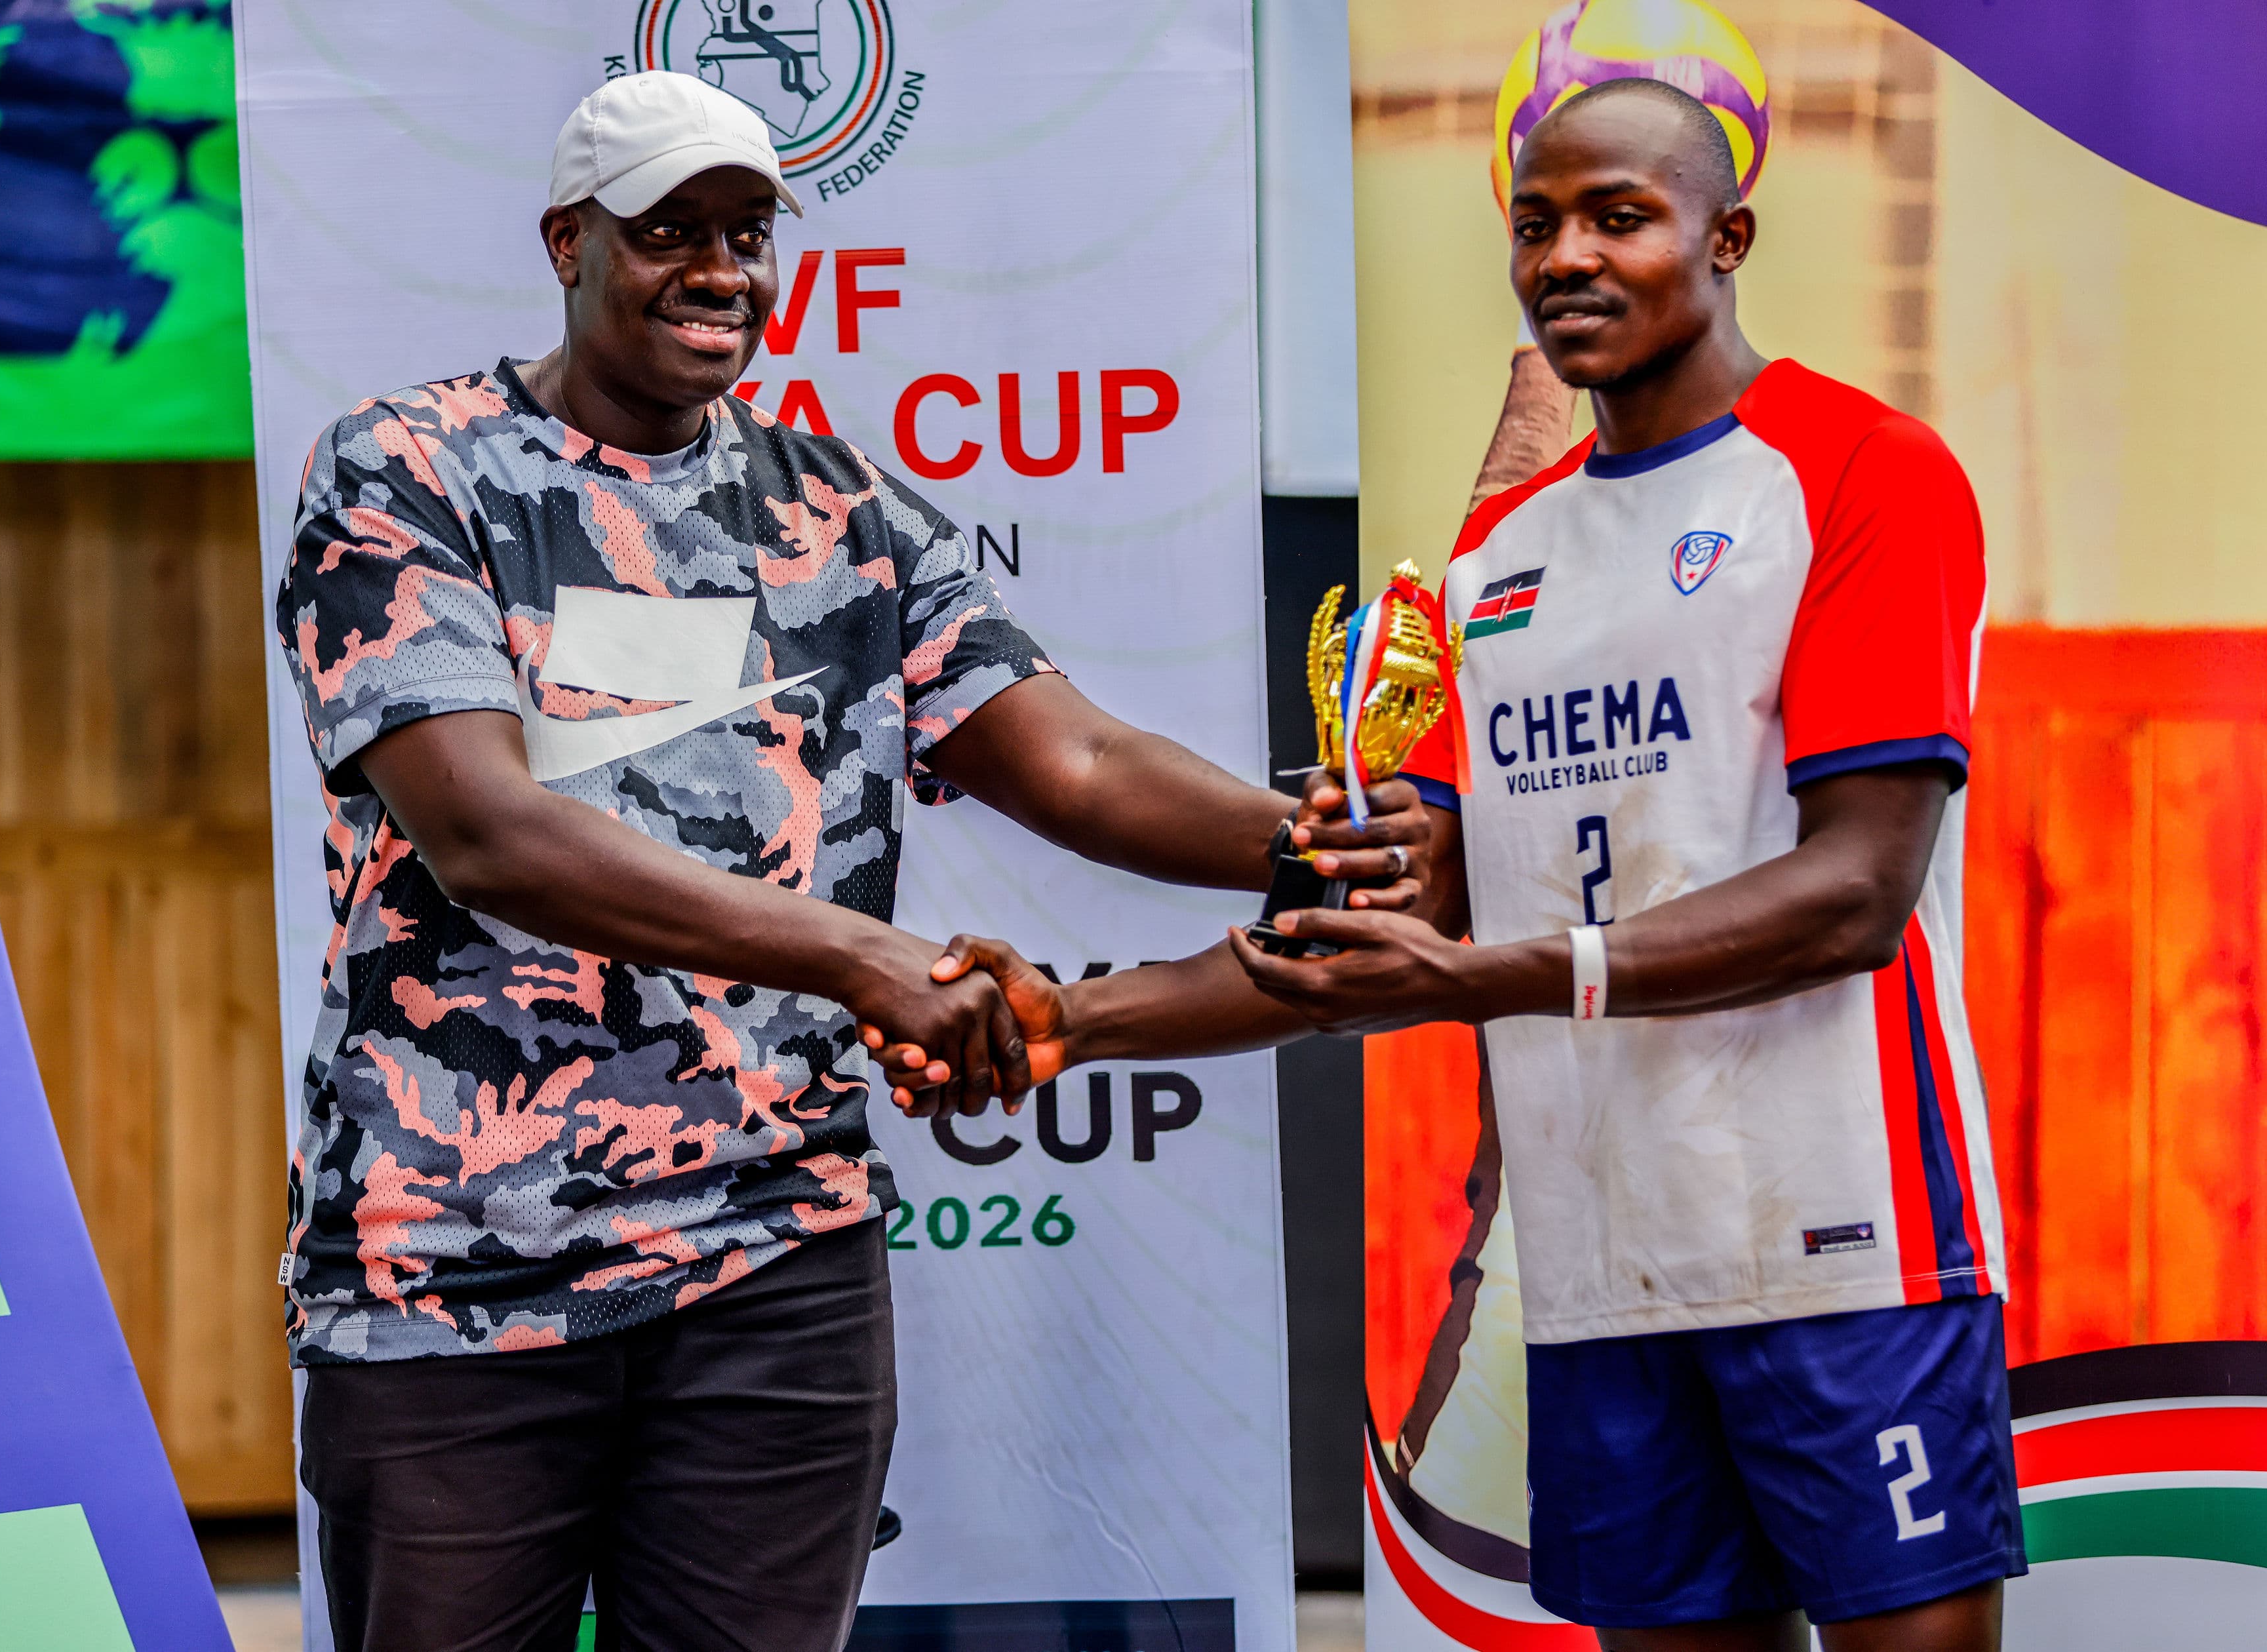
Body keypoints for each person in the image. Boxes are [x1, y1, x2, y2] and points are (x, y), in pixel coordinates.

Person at [273, 69, 1423, 1652]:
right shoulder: (409, 470)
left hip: (772, 1266)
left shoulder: (842, 513)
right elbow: (491, 833)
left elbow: (1072, 758)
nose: (721, 271)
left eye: (746, 233)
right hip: (459, 1274)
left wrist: (1316, 843)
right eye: (670, 231)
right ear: (567, 242)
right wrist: (863, 955)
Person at [882, 77, 2018, 1652]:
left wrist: (1497, 974)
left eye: (1621, 216)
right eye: (1537, 223)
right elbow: (1372, 929)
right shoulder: (1498, 562)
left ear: (1727, 235)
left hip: (1846, 1244)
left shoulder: (1861, 475)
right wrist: (1073, 1023)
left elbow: (1859, 894)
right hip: (1600, 1269)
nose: (1569, 255)